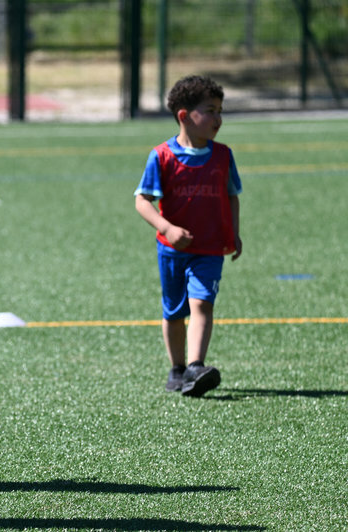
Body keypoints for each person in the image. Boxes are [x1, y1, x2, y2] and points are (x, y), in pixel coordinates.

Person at [134, 75, 243, 397]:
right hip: (172, 250)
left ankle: (196, 366)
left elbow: (232, 196)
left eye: (220, 111)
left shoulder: (223, 155)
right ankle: (177, 368)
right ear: (184, 115)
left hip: (210, 247)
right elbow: (142, 201)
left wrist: (234, 233)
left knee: (203, 303)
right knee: (174, 311)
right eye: (210, 111)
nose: (218, 118)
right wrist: (166, 228)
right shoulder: (161, 156)